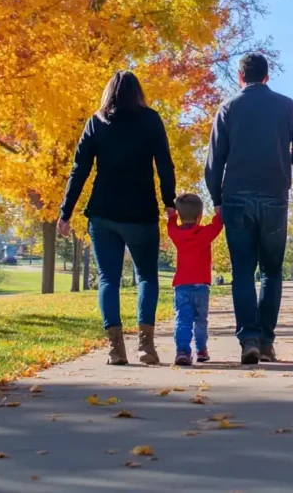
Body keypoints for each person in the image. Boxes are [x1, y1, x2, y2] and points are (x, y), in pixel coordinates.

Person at [58, 71, 176, 366]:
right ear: (137, 93)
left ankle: (115, 349)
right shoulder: (150, 120)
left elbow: (79, 170)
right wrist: (170, 202)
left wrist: (66, 212)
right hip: (141, 212)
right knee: (147, 277)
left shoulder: (96, 122)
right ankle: (146, 346)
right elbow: (164, 163)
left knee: (108, 279)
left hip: (103, 213)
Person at [204, 53, 293, 365]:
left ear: (241, 78)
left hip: (236, 197)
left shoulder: (227, 108)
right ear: (267, 77)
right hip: (274, 198)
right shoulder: (288, 107)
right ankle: (266, 340)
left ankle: (248, 339)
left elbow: (214, 161)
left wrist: (217, 199)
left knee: (242, 271)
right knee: (271, 271)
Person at [167, 194, 223, 366]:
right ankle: (201, 350)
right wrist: (218, 211)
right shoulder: (205, 234)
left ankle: (182, 351)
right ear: (200, 217)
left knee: (182, 319)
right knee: (200, 320)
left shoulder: (176, 234)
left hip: (182, 286)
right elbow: (218, 224)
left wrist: (173, 214)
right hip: (201, 286)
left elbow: (170, 223)